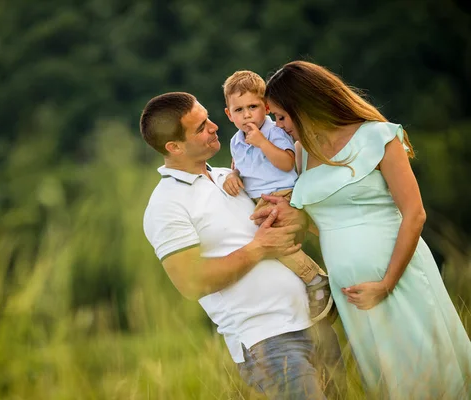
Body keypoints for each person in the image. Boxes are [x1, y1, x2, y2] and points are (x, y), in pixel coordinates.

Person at [259, 60, 471, 399]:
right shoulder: (301, 153)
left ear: (304, 106)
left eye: (282, 116)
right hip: (353, 294)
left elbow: (414, 214)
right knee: (386, 380)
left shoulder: (377, 136)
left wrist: (386, 283)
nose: (278, 126)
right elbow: (327, 221)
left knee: (428, 373)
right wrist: (289, 215)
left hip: (397, 278)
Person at [140, 91, 342, 399]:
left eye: (208, 118)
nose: (214, 127)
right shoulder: (166, 204)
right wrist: (259, 248)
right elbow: (191, 283)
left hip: (315, 324)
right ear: (174, 146)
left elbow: (283, 227)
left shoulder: (231, 176)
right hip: (268, 342)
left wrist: (295, 220)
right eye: (200, 127)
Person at [222, 70, 333, 323]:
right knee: (271, 243)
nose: (247, 114)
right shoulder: (236, 141)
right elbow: (238, 165)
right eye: (239, 110)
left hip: (283, 192)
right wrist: (233, 175)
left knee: (270, 240)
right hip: (261, 197)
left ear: (267, 107)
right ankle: (305, 282)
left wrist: (261, 142)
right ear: (229, 114)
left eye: (253, 106)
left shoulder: (273, 133)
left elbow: (286, 163)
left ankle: (315, 278)